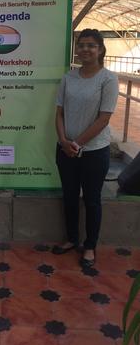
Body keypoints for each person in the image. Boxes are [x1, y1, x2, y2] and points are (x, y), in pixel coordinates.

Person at [52, 28, 118, 267]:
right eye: (81, 45)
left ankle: (90, 246)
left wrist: (77, 144)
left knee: (92, 200)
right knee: (69, 197)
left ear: (100, 49)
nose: (85, 49)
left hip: (94, 152)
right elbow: (58, 113)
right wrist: (63, 141)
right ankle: (71, 238)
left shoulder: (108, 79)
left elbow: (104, 119)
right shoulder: (68, 77)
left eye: (91, 45)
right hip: (66, 150)